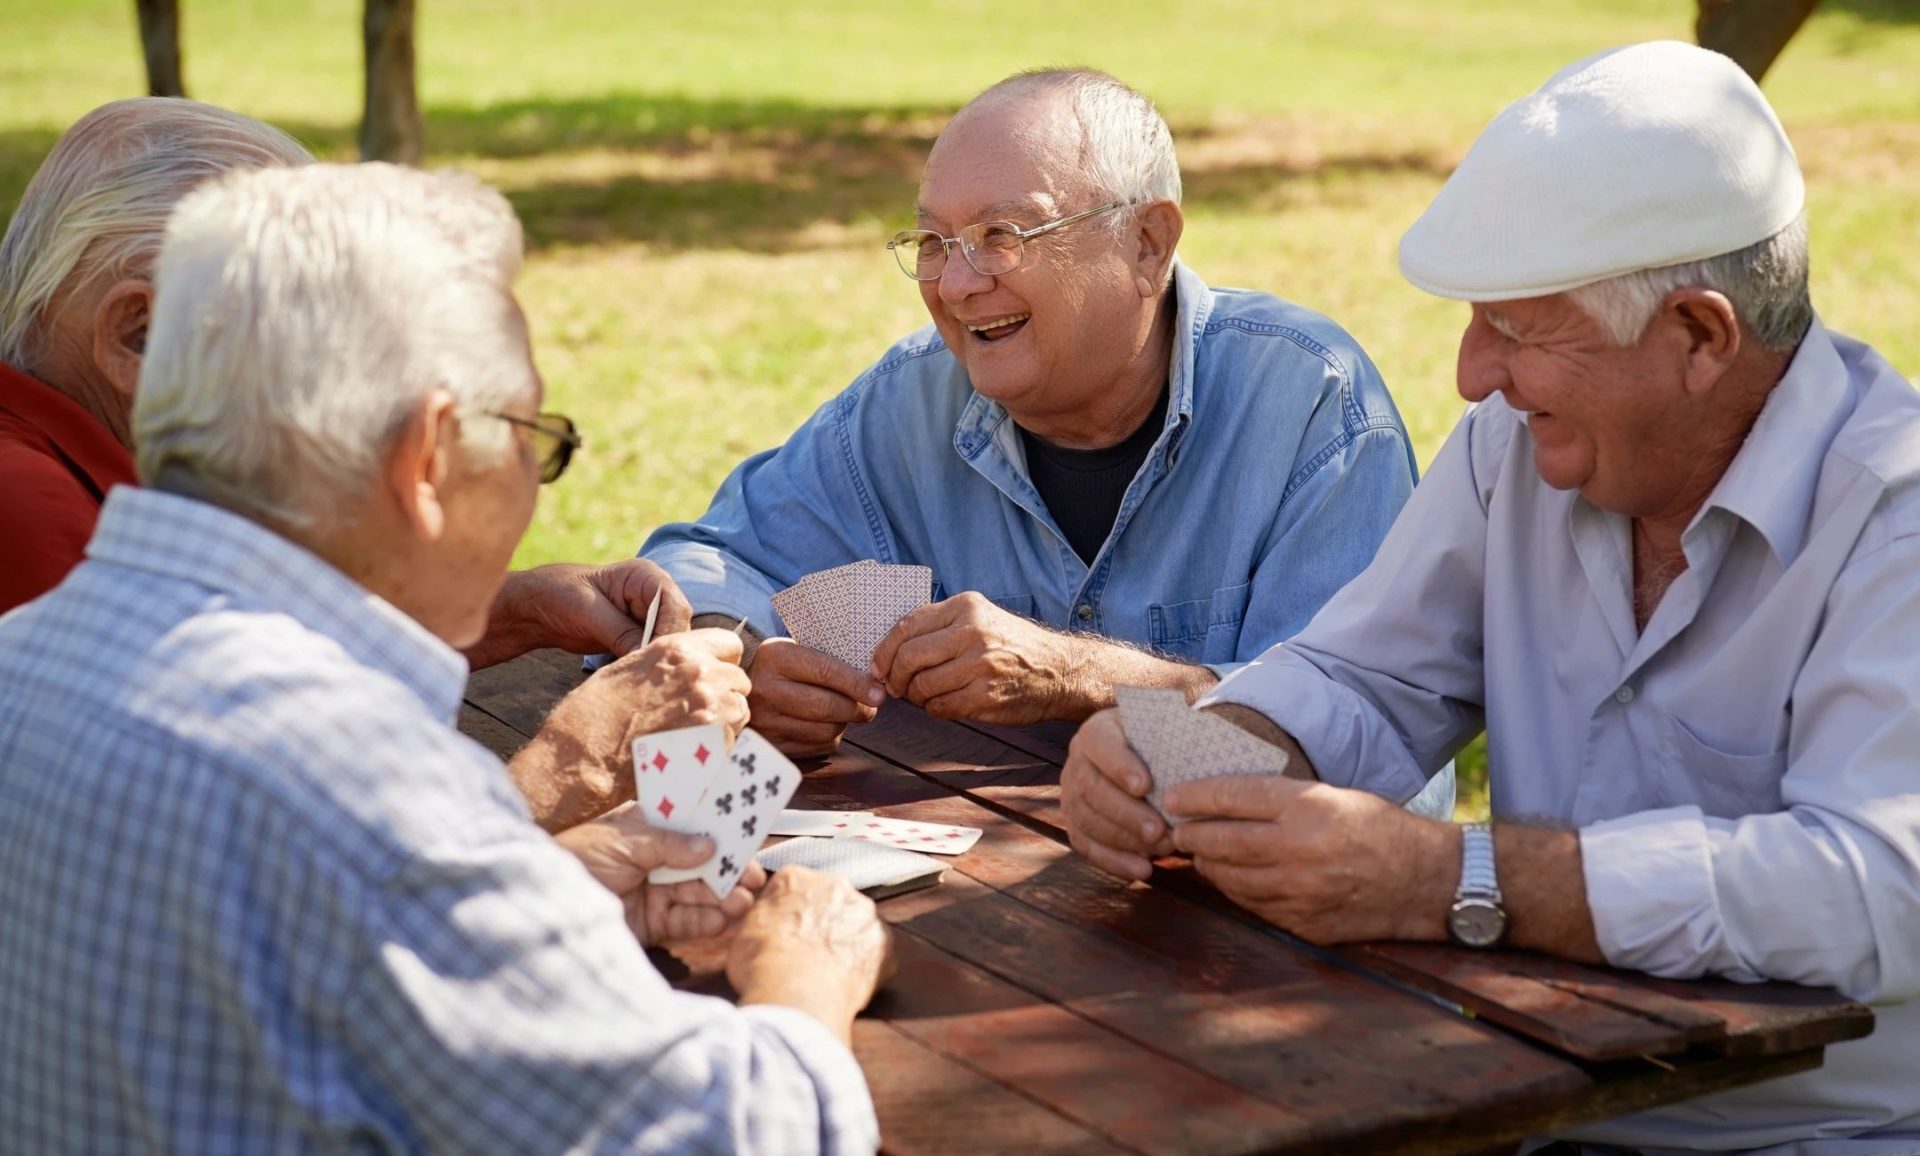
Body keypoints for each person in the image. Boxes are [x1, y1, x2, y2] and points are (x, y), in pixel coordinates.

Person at [1062, 41, 1920, 1150]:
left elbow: (1880, 889)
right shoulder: (1513, 448)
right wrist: (1195, 752)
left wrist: (1455, 879)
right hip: (1525, 1098)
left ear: (1700, 336)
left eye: (1516, 330)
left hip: (1820, 1136)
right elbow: (1363, 675)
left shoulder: (1893, 512)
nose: (1471, 374)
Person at [0, 162, 889, 1154]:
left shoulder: (25, 654)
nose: (534, 489)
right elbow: (737, 1134)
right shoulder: (367, 783)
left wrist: (539, 893)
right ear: (428, 458)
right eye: (532, 438)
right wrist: (804, 969)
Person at [640, 70, 1447, 801]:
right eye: (934, 243)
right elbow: (711, 559)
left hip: (1246, 931)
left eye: (1004, 235)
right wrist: (736, 662)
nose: (957, 284)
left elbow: (1355, 744)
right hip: (991, 912)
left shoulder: (1309, 400)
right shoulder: (912, 399)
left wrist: (1081, 678)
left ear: (1147, 244)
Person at [0, 96, 690, 679]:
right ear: (136, 336)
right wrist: (580, 759)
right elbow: (235, 780)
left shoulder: (101, 467)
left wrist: (517, 610)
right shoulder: (32, 511)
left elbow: (265, 651)